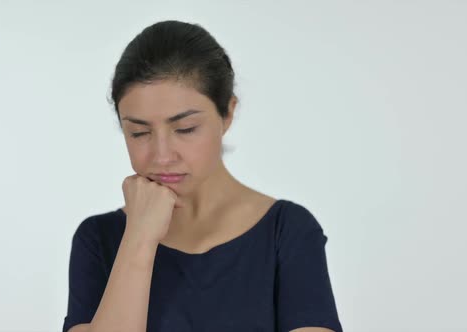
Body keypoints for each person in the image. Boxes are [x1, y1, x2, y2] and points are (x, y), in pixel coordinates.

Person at [62, 20, 343, 332]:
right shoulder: (100, 239)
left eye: (186, 129)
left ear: (227, 114)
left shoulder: (286, 232)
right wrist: (139, 238)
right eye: (139, 132)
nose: (162, 156)